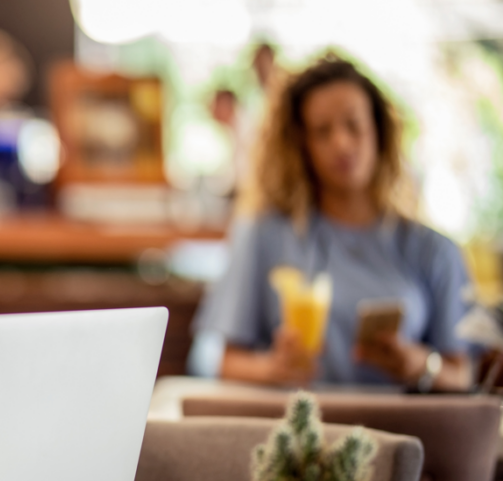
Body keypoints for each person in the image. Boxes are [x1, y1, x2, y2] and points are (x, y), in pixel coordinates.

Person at [194, 55, 473, 391]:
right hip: (297, 422)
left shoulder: (435, 251)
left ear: (379, 132)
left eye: (353, 125)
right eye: (322, 131)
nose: (341, 143)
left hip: (404, 422)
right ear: (302, 144)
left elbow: (463, 375)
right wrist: (272, 368)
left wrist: (422, 367)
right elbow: (225, 362)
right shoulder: (262, 235)